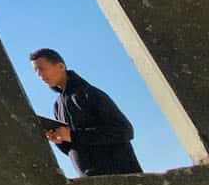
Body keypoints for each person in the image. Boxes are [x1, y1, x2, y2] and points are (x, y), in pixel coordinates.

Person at [30, 48, 141, 176]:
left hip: (121, 178)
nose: (39, 75)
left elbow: (124, 131)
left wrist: (72, 135)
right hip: (91, 183)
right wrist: (60, 141)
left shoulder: (89, 93)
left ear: (60, 66)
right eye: (36, 71)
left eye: (42, 68)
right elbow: (76, 148)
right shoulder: (57, 105)